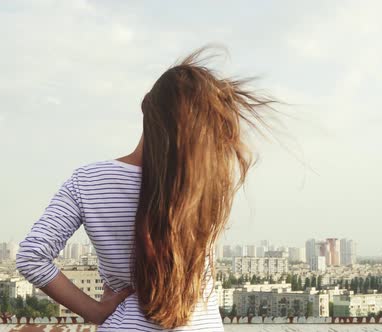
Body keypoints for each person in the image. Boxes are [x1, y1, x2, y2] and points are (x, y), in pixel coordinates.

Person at [16, 46, 277, 331]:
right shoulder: (208, 185)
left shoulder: (87, 181)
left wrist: (95, 311)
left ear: (145, 105)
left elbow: (32, 256)